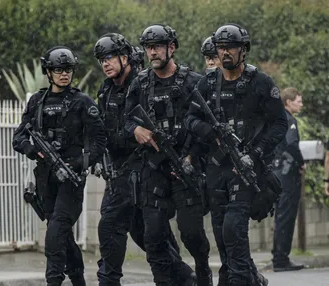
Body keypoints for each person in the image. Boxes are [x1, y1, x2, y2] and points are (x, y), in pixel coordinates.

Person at [184, 23, 288, 286]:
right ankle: (251, 279)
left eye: (231, 47)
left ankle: (241, 280)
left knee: (233, 229)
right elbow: (190, 120)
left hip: (246, 167)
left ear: (243, 50)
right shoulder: (207, 83)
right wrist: (211, 133)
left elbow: (279, 124)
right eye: (221, 48)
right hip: (217, 169)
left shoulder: (261, 83)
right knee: (221, 235)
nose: (225, 53)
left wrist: (255, 154)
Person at [94, 33, 195, 286]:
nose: (105, 64)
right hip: (120, 173)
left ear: (124, 57)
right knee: (111, 230)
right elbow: (105, 129)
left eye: (109, 58)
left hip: (147, 169)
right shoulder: (106, 89)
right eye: (101, 60)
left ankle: (184, 277)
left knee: (154, 236)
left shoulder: (142, 84)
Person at [124, 24, 211, 286]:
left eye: (157, 47)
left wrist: (191, 158)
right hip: (154, 170)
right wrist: (136, 129)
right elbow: (126, 120)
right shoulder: (139, 83)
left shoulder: (193, 82)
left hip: (186, 168)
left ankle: (203, 272)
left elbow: (208, 126)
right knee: (154, 236)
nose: (152, 52)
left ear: (171, 48)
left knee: (191, 233)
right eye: (148, 48)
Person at [12, 46, 106, 286]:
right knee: (63, 237)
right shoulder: (37, 102)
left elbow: (98, 143)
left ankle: (53, 281)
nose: (64, 74)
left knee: (54, 237)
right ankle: (78, 281)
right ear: (48, 72)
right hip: (46, 181)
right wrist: (32, 150)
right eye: (58, 69)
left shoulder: (83, 102)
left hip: (70, 182)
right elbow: (18, 138)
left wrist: (78, 164)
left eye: (68, 69)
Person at [271, 87, 306, 272]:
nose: (301, 104)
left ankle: (278, 255)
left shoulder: (277, 119)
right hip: (287, 175)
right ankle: (281, 260)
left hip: (276, 173)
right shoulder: (289, 120)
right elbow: (292, 145)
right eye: (298, 101)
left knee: (280, 216)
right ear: (288, 102)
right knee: (286, 217)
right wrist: (301, 163)